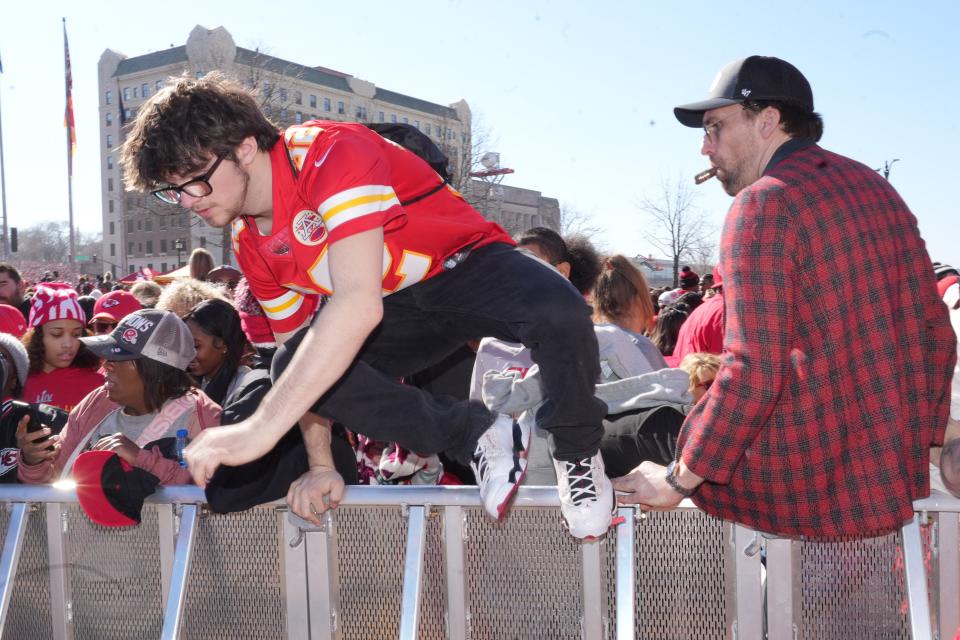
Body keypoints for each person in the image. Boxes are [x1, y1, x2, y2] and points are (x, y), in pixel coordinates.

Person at [120, 73, 612, 537]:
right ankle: (476, 433)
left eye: (195, 180)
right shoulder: (251, 242)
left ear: (244, 147)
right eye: (174, 191)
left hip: (464, 264)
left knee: (560, 306)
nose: (187, 200)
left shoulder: (327, 151)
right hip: (401, 306)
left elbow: (357, 305)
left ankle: (578, 454)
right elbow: (302, 368)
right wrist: (320, 465)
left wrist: (259, 430)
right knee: (295, 363)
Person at [612, 55, 956, 540]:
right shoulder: (877, 189)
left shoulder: (763, 202)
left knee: (610, 441)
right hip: (889, 485)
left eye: (715, 127)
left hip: (804, 492)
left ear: (768, 120)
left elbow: (753, 371)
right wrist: (916, 443)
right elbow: (937, 336)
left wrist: (677, 479)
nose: (705, 148)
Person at [16, 309, 221, 485]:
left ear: (156, 368)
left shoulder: (203, 417)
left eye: (119, 356)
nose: (107, 364)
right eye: (108, 355)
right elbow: (53, 479)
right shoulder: (97, 401)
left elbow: (210, 494)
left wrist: (140, 458)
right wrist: (34, 461)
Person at [182, 298, 270, 424]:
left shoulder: (248, 388)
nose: (188, 353)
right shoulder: (190, 382)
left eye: (196, 346)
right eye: (185, 345)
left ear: (223, 345)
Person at [21, 283, 103, 412]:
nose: (68, 344)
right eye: (57, 334)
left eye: (76, 334)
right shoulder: (17, 383)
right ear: (36, 337)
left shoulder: (99, 385)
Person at [673, 266, 724, 361]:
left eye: (702, 284)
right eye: (699, 284)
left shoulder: (700, 309)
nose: (700, 287)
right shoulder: (729, 312)